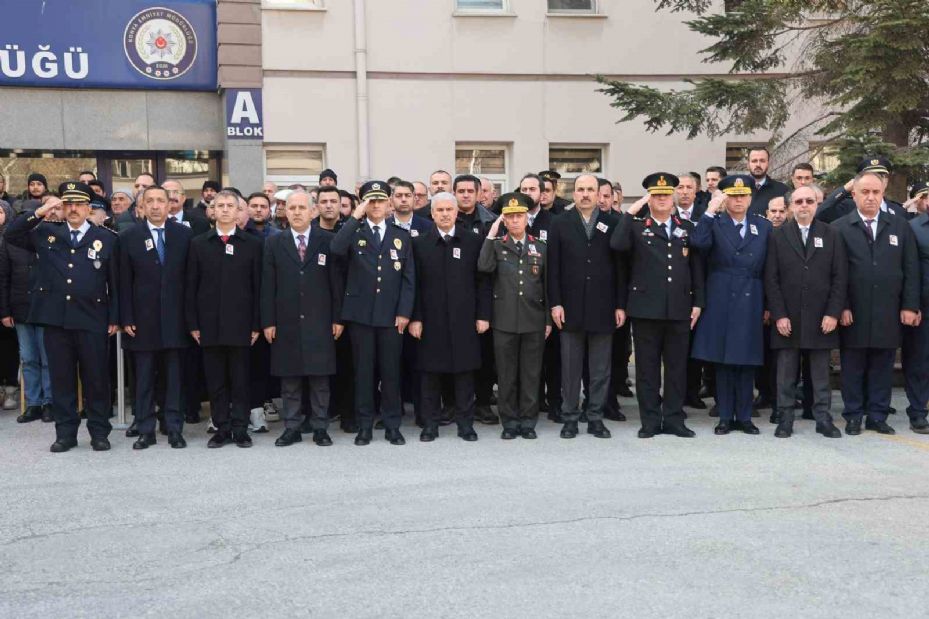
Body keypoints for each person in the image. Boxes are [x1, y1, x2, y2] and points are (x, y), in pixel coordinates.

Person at [5, 183, 119, 452]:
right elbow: (11, 234)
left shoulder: (108, 238)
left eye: (79, 204)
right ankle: (65, 434)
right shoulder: (46, 232)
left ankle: (99, 432)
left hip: (92, 318)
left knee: (96, 379)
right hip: (57, 319)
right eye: (67, 204)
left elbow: (115, 283)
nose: (73, 209)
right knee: (62, 379)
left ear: (89, 208)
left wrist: (115, 316)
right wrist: (42, 210)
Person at [611, 173, 705, 438]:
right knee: (647, 369)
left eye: (666, 194)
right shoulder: (638, 226)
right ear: (649, 199)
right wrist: (631, 212)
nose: (662, 199)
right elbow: (617, 244)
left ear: (673, 196)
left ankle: (674, 420)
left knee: (676, 368)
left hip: (679, 308)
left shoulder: (687, 228)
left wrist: (698, 301)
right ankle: (650, 421)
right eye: (656, 195)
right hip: (645, 309)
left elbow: (696, 267)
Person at [834, 172, 919, 435]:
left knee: (882, 365)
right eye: (865, 192)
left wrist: (909, 305)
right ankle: (854, 415)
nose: (870, 197)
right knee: (853, 366)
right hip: (854, 311)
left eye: (876, 193)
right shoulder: (839, 227)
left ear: (882, 194)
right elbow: (836, 273)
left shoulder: (899, 226)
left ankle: (878, 415)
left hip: (888, 310)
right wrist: (842, 305)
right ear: (854, 194)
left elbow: (911, 269)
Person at [330, 181, 415, 446]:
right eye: (370, 201)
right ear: (363, 203)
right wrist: (355, 216)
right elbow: (335, 249)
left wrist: (404, 312)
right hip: (361, 316)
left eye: (380, 200)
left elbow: (408, 278)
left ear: (389, 203)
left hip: (391, 317)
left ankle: (392, 425)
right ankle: (364, 425)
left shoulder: (400, 235)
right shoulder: (354, 231)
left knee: (391, 373)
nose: (376, 206)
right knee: (363, 373)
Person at [261, 190, 344, 447]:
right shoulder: (275, 242)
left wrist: (337, 318)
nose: (296, 212)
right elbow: (268, 285)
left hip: (320, 320)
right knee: (290, 379)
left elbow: (336, 284)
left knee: (320, 379)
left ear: (313, 211)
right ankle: (292, 427)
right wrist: (268, 321)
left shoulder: (327, 240)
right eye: (291, 208)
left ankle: (320, 427)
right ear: (285, 212)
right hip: (285, 321)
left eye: (301, 207)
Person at [691, 175, 772, 435]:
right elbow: (697, 243)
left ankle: (745, 417)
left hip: (752, 295)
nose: (738, 200)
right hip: (721, 296)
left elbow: (771, 268)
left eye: (743, 195)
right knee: (724, 361)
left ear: (750, 198)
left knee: (747, 360)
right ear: (725, 198)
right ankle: (725, 416)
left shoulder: (763, 226)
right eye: (733, 196)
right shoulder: (715, 223)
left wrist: (769, 304)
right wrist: (709, 212)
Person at [764, 185, 847, 438]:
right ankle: (785, 418)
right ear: (790, 206)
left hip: (822, 317)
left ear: (816, 205)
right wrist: (779, 314)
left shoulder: (831, 234)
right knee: (786, 374)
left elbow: (839, 277)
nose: (803, 205)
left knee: (821, 375)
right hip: (788, 318)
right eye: (798, 201)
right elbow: (771, 279)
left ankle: (823, 419)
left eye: (809, 201)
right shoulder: (777, 236)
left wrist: (833, 313)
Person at [409, 192, 490, 441]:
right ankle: (430, 424)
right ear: (431, 214)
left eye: (449, 210)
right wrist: (415, 318)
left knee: (465, 374)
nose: (444, 214)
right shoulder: (420, 244)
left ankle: (465, 424)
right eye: (439, 210)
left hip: (464, 320)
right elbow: (414, 285)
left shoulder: (472, 242)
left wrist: (483, 315)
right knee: (430, 375)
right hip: (430, 321)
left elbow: (483, 283)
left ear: (456, 213)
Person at [186, 190, 263, 448]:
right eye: (221, 205)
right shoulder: (199, 243)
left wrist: (256, 323)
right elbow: (191, 287)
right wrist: (193, 323)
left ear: (240, 210)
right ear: (212, 210)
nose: (226, 210)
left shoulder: (252, 244)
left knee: (241, 380)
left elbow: (258, 287)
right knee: (216, 380)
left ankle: (240, 428)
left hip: (242, 325)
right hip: (209, 325)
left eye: (231, 205)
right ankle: (221, 427)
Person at [119, 185, 194, 449]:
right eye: (149, 201)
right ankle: (146, 429)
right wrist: (125, 316)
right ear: (140, 207)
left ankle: (174, 428)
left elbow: (191, 280)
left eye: (160, 201)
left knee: (174, 379)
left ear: (169, 204)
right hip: (141, 322)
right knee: (144, 379)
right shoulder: (128, 236)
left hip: (176, 321)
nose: (155, 206)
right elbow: (123, 282)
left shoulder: (184, 235)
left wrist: (191, 320)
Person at [548, 174, 621, 440]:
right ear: (573, 193)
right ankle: (569, 417)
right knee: (570, 368)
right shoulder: (560, 223)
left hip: (603, 306)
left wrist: (620, 304)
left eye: (591, 189)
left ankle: (596, 418)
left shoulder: (613, 222)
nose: (586, 194)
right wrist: (555, 303)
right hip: (570, 307)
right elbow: (552, 267)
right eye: (581, 190)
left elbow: (620, 269)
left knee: (600, 369)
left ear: (600, 193)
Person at [478, 193, 551, 439]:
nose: (515, 220)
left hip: (534, 319)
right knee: (507, 375)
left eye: (519, 216)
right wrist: (491, 233)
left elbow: (547, 286)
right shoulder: (497, 245)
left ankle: (528, 422)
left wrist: (548, 320)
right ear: (504, 221)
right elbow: (484, 267)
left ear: (527, 218)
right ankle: (509, 422)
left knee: (531, 375)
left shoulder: (540, 247)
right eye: (510, 217)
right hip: (504, 320)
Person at [0, 200, 52, 422]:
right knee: (29, 358)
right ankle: (33, 403)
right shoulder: (11, 241)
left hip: (45, 309)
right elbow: (4, 278)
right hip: (20, 308)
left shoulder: (50, 238)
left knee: (47, 358)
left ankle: (49, 401)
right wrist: (4, 311)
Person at [902, 182, 929, 434]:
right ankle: (918, 412)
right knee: (919, 363)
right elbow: (909, 271)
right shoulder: (913, 229)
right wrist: (911, 305)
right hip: (924, 309)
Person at [817, 156, 908, 223]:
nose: (875, 179)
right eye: (870, 175)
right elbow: (819, 214)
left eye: (880, 176)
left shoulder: (898, 211)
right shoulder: (849, 206)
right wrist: (845, 189)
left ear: (886, 181)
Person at [746, 148, 789, 217]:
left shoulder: (782, 190)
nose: (758, 164)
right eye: (754, 161)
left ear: (768, 163)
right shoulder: (738, 189)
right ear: (748, 164)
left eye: (762, 161)